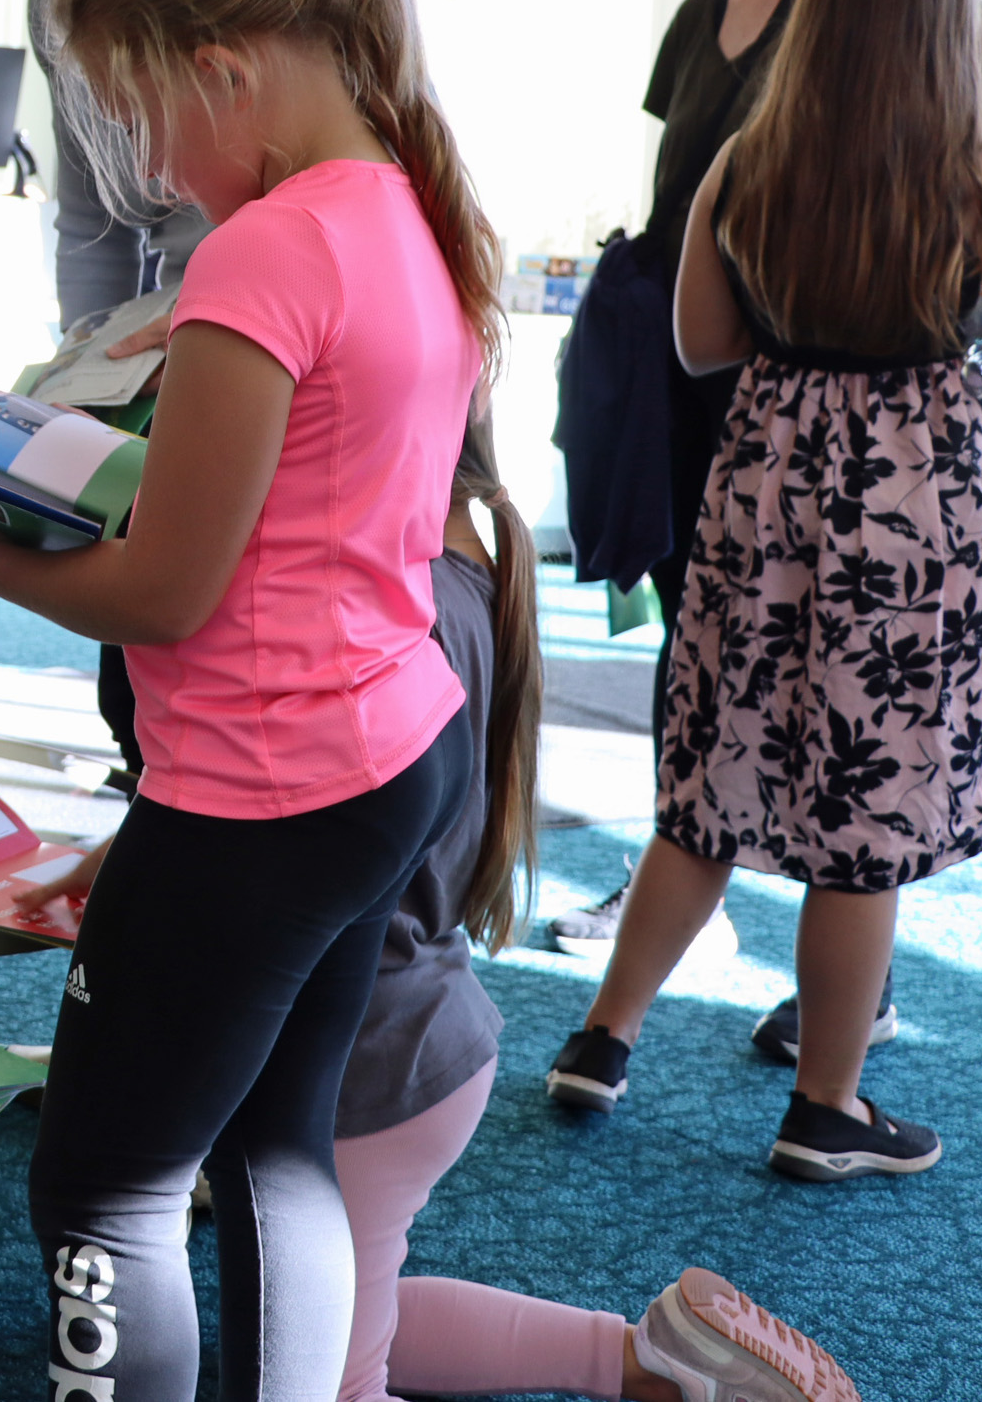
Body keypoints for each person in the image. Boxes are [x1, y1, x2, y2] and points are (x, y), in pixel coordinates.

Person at [0, 0, 496, 1399]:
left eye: (136, 110)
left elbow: (167, 590)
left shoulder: (266, 254)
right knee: (278, 1143)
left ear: (223, 65)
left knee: (101, 1190)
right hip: (389, 742)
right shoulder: (406, 209)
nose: (145, 159)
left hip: (256, 788)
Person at [546, 0, 982, 1182]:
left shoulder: (749, 158)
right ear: (942, 28)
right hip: (911, 513)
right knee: (867, 811)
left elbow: (701, 347)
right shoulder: (973, 170)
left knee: (714, 779)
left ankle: (601, 1040)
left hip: (764, 487)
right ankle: (826, 1107)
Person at [328, 419, 862, 1402]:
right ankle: (641, 1364)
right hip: (421, 1035)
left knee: (315, 1372)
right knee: (329, 1319)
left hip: (363, 1056)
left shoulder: (372, 617)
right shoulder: (459, 581)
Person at [12, 0, 267, 776]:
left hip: (269, 350)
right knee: (142, 696)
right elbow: (90, 218)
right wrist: (82, 396)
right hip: (145, 364)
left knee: (250, 679)